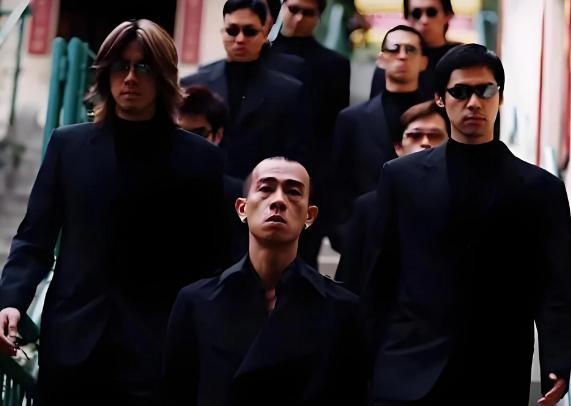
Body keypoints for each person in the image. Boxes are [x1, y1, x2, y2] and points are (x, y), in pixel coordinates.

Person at [0, 19, 225, 405]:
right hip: (72, 342)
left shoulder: (200, 159)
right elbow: (34, 238)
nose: (130, 77)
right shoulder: (68, 146)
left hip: (156, 350)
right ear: (105, 73)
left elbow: (210, 259)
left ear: (164, 76)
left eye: (144, 66)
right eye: (120, 65)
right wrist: (11, 300)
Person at [364, 43, 571, 405]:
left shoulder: (541, 189)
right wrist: (366, 357)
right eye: (460, 92)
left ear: (499, 97)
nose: (473, 102)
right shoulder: (400, 177)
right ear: (440, 99)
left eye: (485, 90)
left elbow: (555, 283)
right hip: (406, 365)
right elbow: (381, 272)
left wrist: (557, 360)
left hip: (495, 367)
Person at [162, 157, 367, 405]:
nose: (278, 200)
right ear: (242, 208)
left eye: (293, 192)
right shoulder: (196, 302)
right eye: (266, 189)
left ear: (310, 215)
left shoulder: (341, 309)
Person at [181, 0, 308, 180]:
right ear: (223, 32)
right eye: (232, 30)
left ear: (264, 33)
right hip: (201, 185)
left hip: (259, 188)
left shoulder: (288, 92)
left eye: (249, 31)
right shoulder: (193, 84)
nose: (240, 39)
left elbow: (295, 156)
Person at [335, 100, 448, 294]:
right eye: (415, 135)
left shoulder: (463, 203)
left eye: (435, 135)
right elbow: (348, 282)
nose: (425, 142)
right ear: (398, 147)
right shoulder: (368, 207)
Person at [330, 25, 427, 251]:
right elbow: (337, 182)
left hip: (423, 237)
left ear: (423, 61)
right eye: (394, 49)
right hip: (364, 237)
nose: (402, 55)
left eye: (410, 49)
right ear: (381, 59)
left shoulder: (438, 120)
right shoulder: (351, 119)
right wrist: (343, 233)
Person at [271, 0, 351, 268]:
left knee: (302, 259)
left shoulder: (334, 64)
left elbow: (333, 129)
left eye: (308, 13)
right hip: (264, 164)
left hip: (311, 175)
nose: (298, 18)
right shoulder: (264, 53)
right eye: (293, 9)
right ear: (283, 7)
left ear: (319, 16)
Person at [178, 85, 248, 266]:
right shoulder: (151, 186)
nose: (188, 143)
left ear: (218, 135)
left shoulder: (238, 195)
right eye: (179, 134)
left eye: (198, 134)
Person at [370, 0, 460, 100]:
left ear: (448, 15)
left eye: (431, 13)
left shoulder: (461, 58)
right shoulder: (392, 58)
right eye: (416, 14)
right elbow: (376, 106)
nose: (424, 20)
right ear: (407, 17)